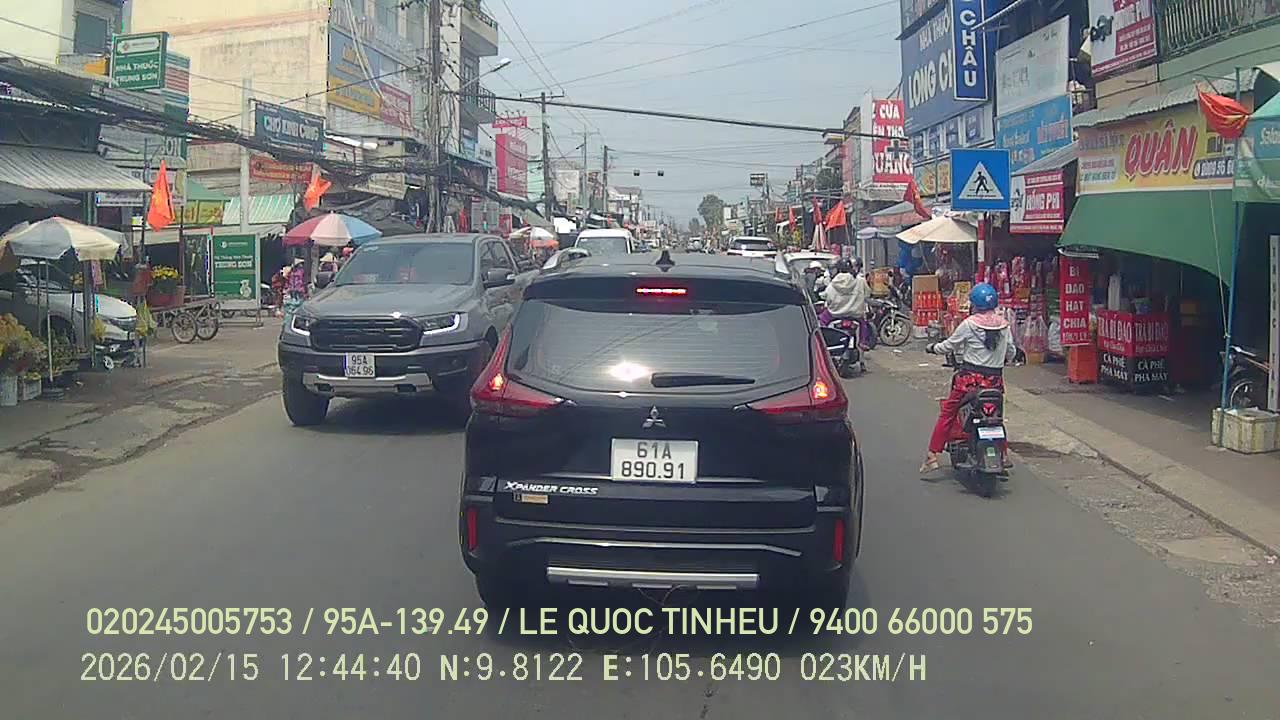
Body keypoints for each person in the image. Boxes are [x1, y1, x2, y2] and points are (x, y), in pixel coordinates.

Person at [919, 283, 1017, 474]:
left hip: (969, 382)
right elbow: (1011, 351)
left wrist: (933, 348)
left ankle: (932, 455)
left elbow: (949, 345)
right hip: (995, 382)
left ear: (974, 304)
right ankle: (1004, 454)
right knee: (996, 416)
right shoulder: (1004, 325)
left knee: (948, 413)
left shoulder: (969, 324)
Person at [820, 258, 871, 348]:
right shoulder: (860, 280)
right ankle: (863, 342)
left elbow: (827, 298)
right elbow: (867, 294)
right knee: (863, 323)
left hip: (835, 314)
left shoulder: (833, 283)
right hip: (855, 315)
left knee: (821, 321)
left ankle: (822, 342)